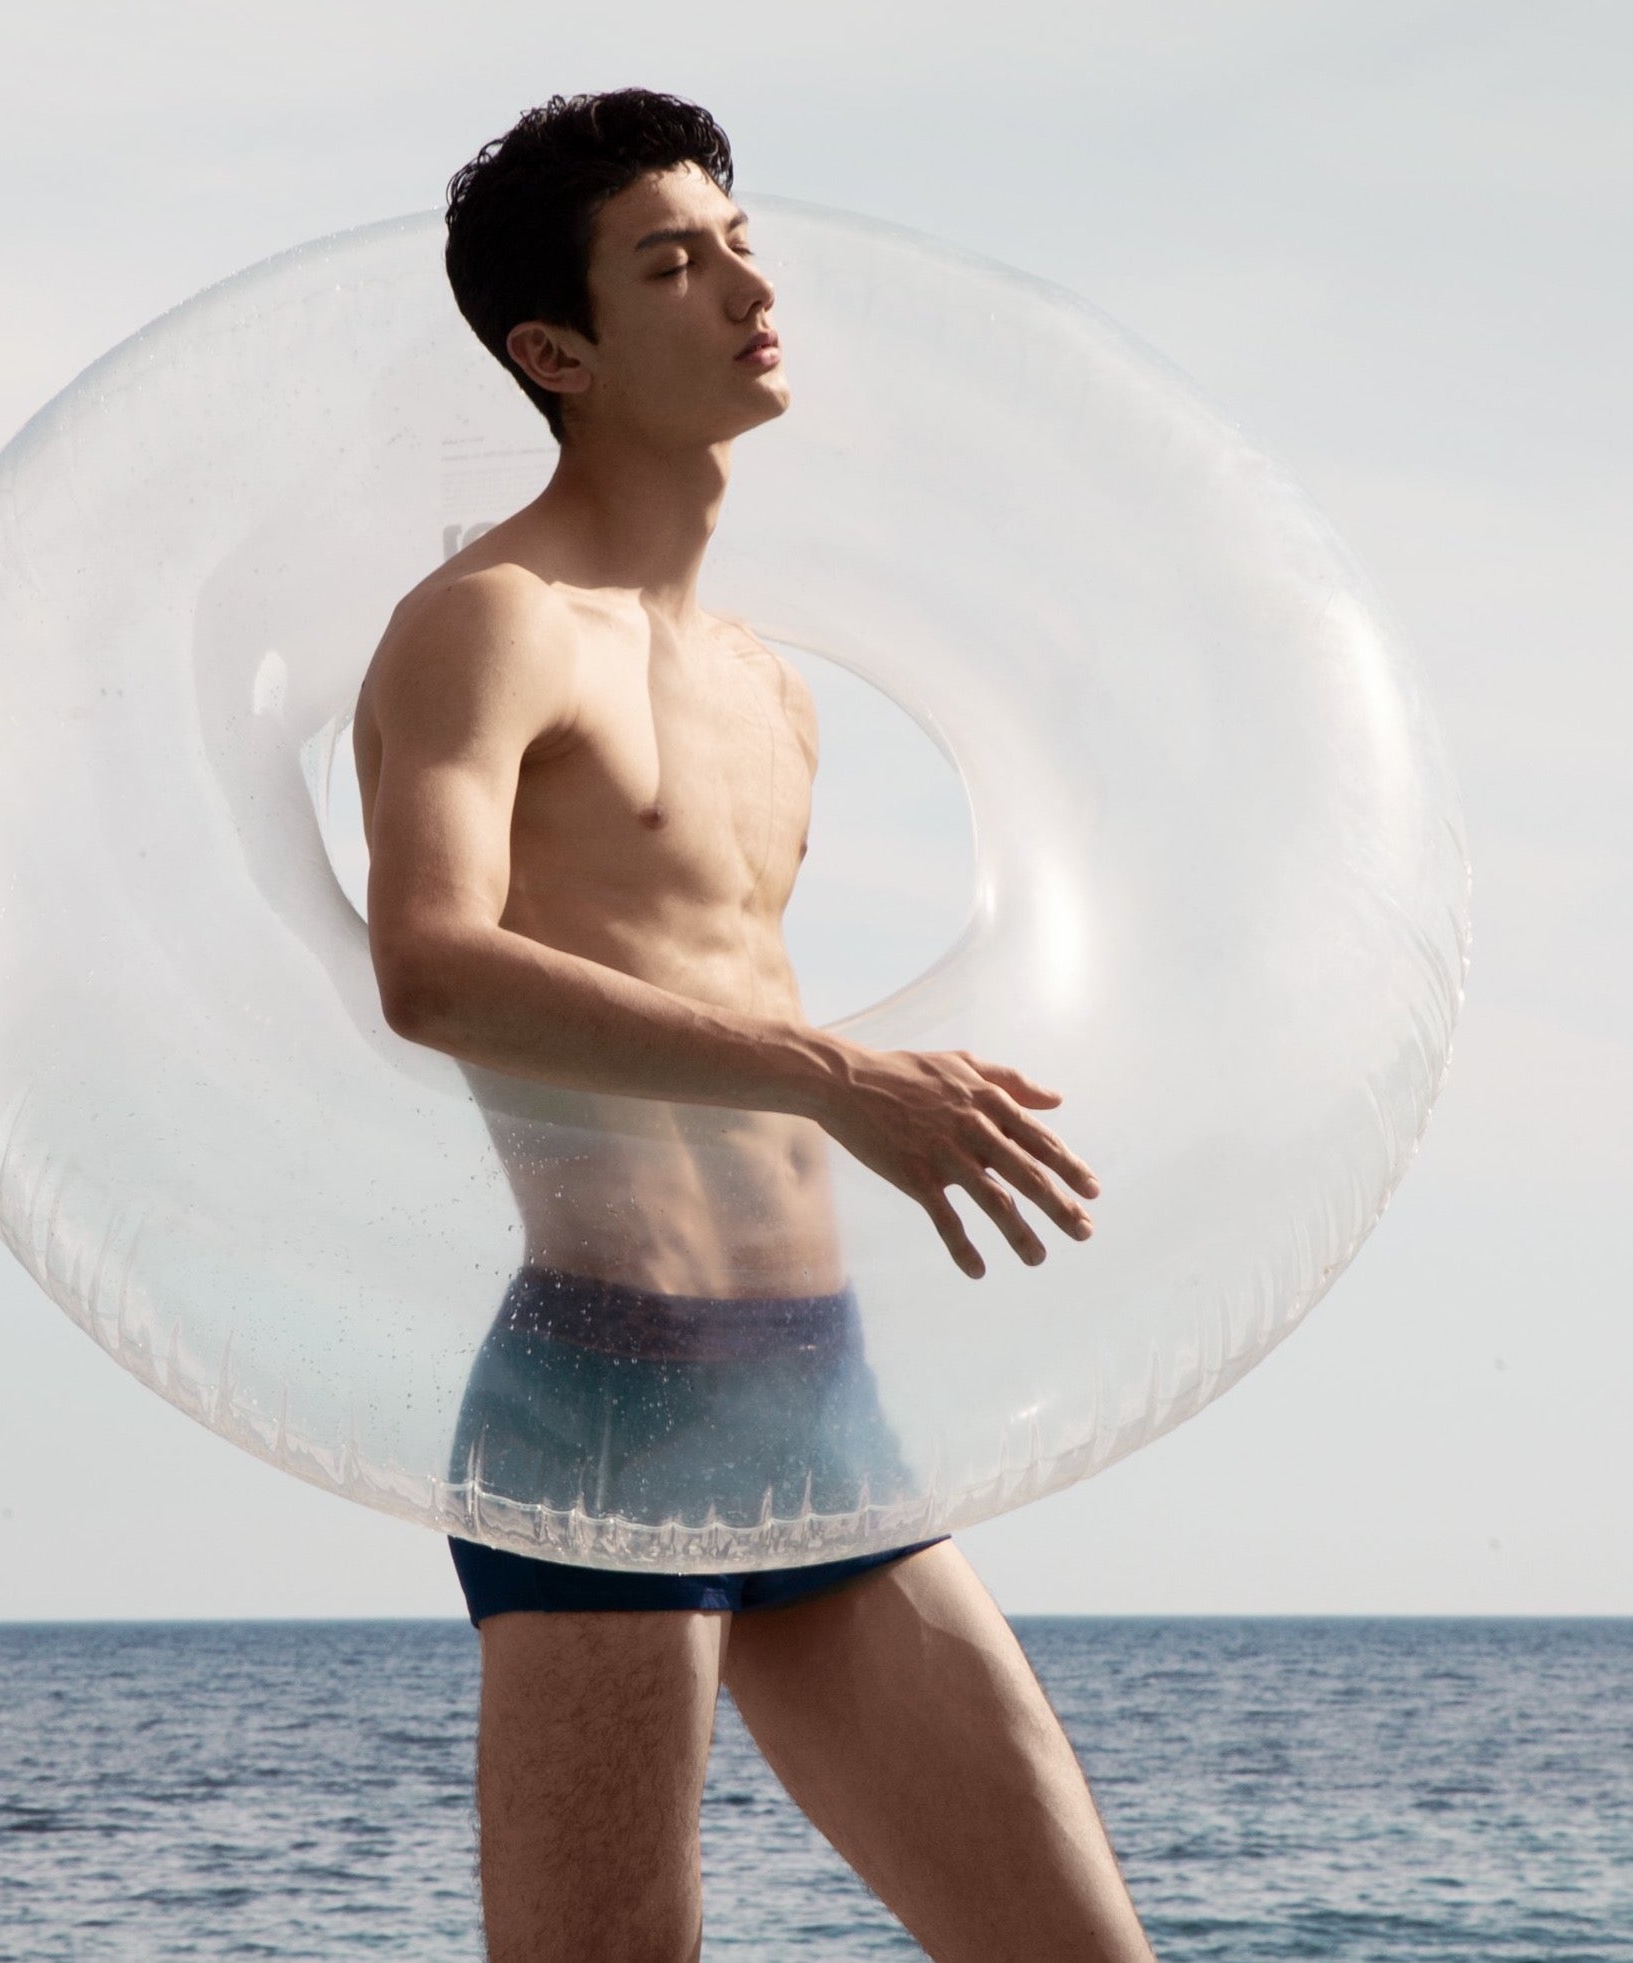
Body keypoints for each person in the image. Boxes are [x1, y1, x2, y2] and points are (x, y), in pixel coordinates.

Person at [352, 88, 1156, 1963]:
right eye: (672, 261)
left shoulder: (770, 694)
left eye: (734, 237)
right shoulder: (490, 624)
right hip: (609, 1400)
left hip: (817, 1390)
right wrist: (839, 1076)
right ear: (556, 350)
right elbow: (431, 965)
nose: (743, 281)